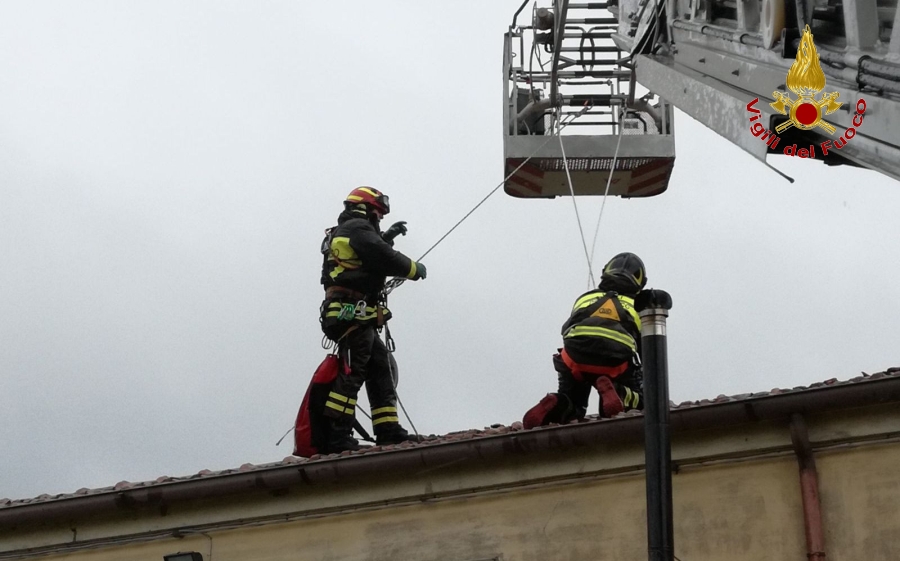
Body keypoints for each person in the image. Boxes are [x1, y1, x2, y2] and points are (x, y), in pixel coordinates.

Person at [318, 186, 426, 452]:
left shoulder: (350, 231)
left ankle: (387, 429)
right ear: (365, 209)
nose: (379, 219)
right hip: (350, 312)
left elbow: (367, 256)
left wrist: (386, 237)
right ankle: (337, 435)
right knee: (353, 372)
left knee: (380, 367)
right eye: (378, 214)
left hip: (353, 312)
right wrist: (413, 269)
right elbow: (381, 256)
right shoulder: (356, 228)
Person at [523, 252, 646, 429]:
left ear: (606, 272)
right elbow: (646, 350)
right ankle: (619, 392)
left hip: (574, 358)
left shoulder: (585, 298)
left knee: (574, 405)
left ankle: (556, 402)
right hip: (613, 363)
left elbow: (566, 330)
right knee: (641, 400)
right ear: (640, 284)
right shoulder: (638, 307)